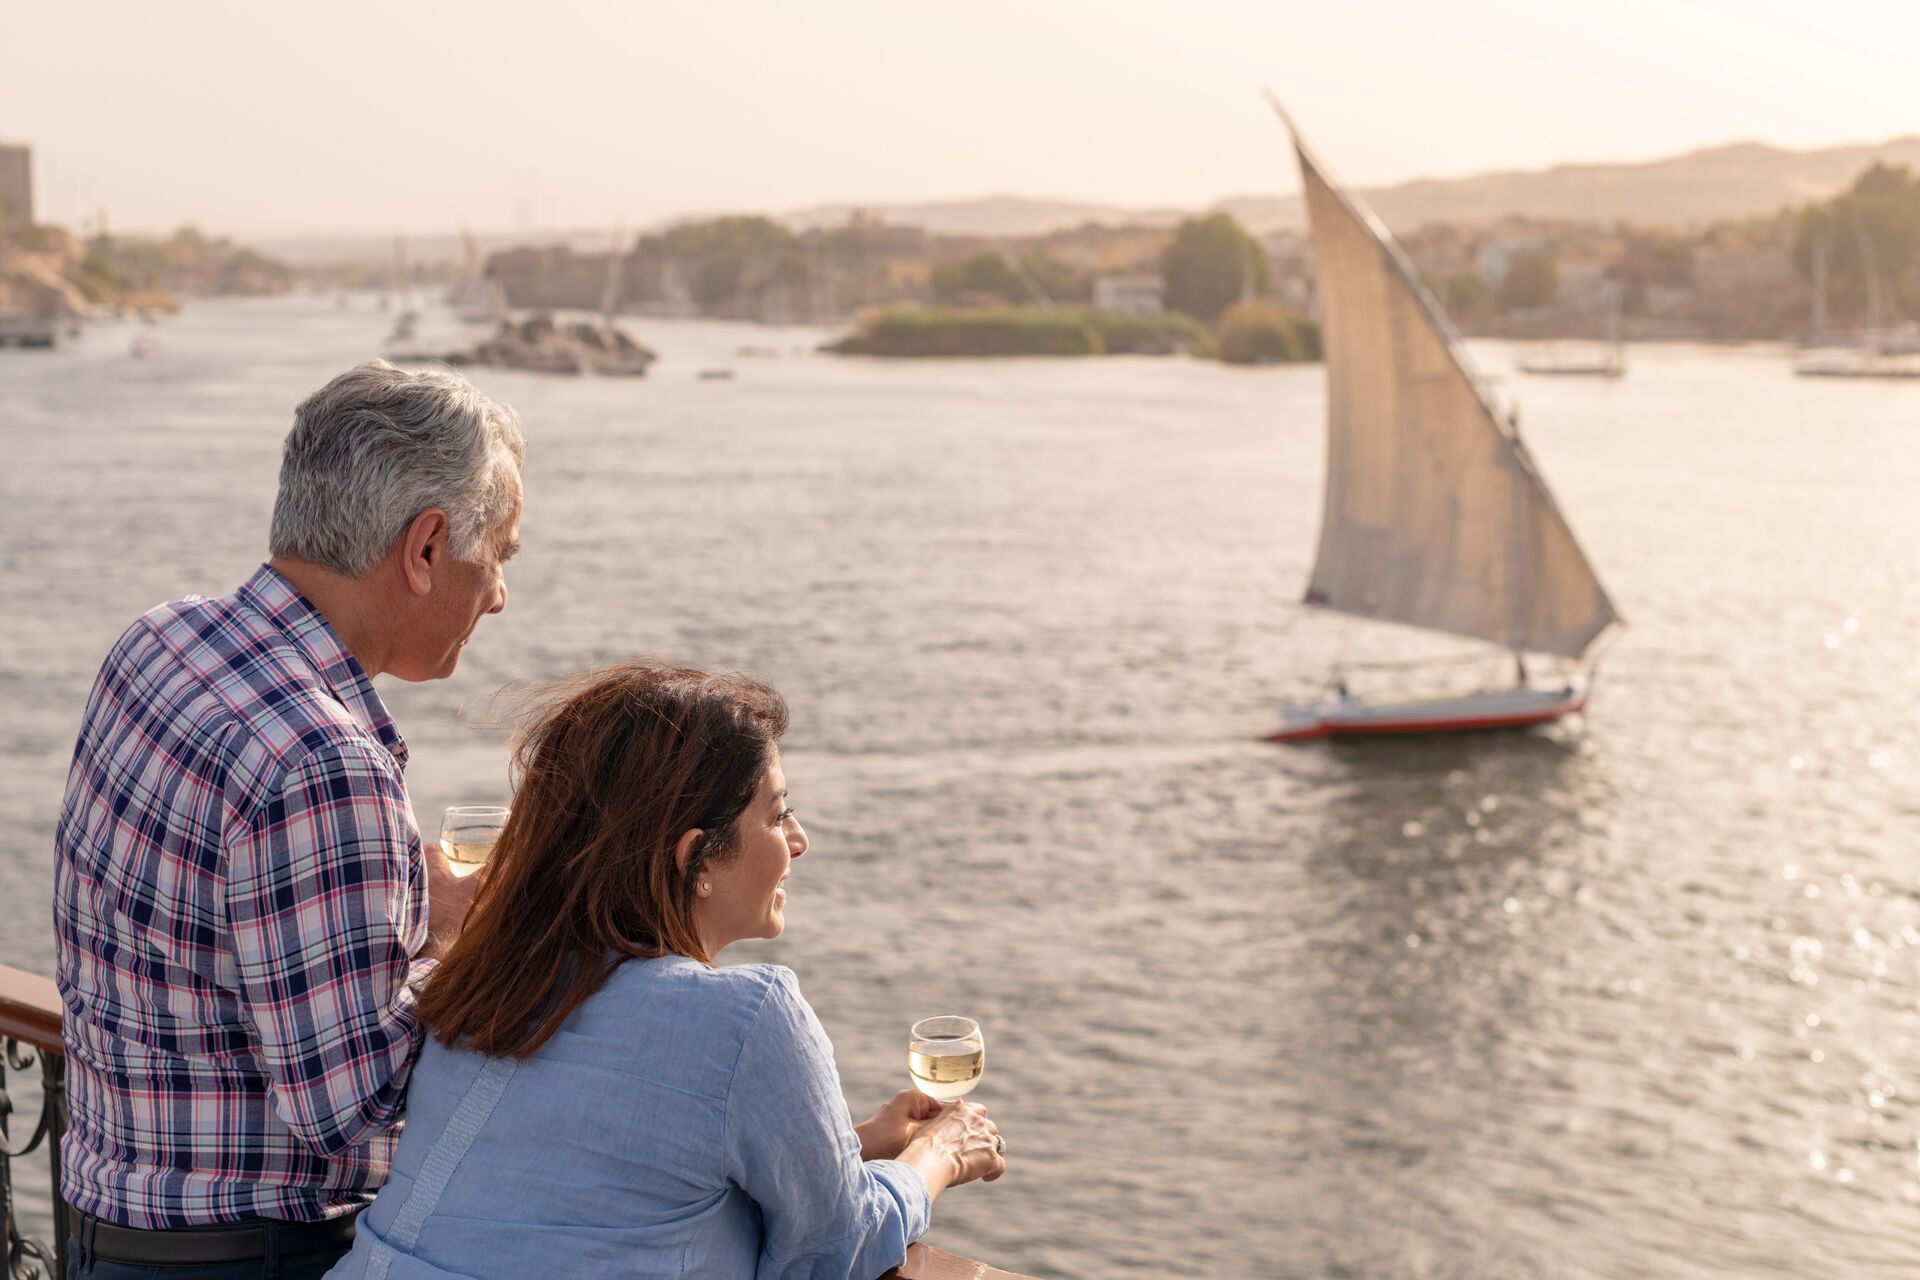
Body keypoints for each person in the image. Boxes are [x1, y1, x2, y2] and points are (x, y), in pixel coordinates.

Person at [53, 360, 526, 1279]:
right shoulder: (320, 759)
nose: (499, 592)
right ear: (424, 549)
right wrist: (462, 941)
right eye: (499, 554)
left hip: (106, 1222)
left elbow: (194, 926)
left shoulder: (161, 640)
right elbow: (353, 1103)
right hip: (245, 1256)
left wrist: (394, 918)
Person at [325, 661, 1007, 1280]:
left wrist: (850, 1145)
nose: (799, 841)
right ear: (696, 860)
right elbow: (835, 1248)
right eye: (777, 813)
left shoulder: (490, 983)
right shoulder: (744, 1016)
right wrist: (939, 1156)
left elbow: (607, 1182)